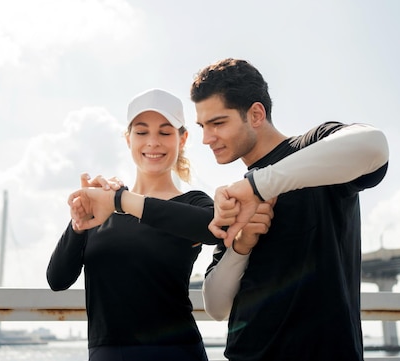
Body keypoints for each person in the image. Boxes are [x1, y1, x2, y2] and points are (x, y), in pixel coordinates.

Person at [46, 88, 272, 361]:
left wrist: (121, 200)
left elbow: (212, 228)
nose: (153, 142)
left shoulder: (192, 202)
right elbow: (58, 279)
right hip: (107, 353)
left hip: (175, 352)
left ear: (182, 139)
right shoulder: (102, 206)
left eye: (165, 133)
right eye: (142, 132)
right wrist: (78, 225)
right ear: (128, 139)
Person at [190, 58, 389, 361]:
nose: (206, 139)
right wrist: (241, 246)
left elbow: (374, 145)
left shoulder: (312, 150)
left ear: (255, 114)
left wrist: (260, 186)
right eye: (203, 126)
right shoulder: (237, 197)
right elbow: (216, 307)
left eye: (217, 123)